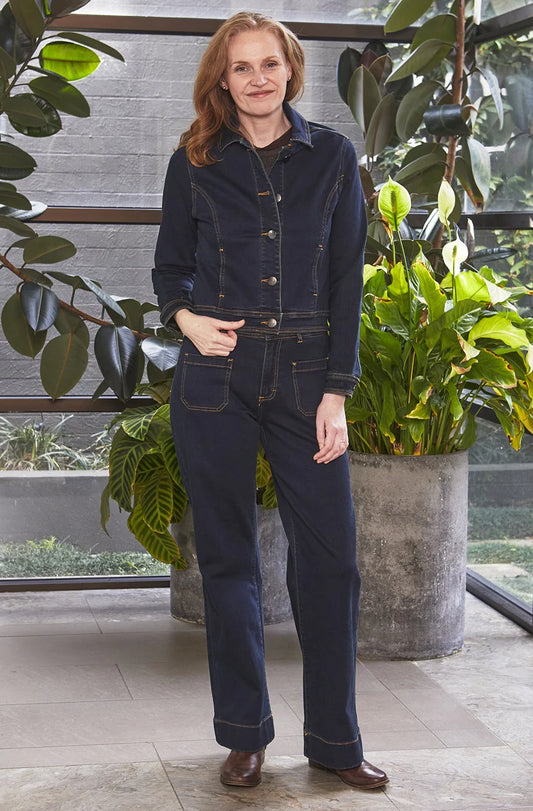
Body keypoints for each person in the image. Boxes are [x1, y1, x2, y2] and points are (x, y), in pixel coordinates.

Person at [152, 11, 388, 792]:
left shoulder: (333, 158)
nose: (257, 78)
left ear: (290, 70)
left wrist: (337, 391)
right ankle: (244, 735)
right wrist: (187, 320)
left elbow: (347, 281)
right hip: (215, 379)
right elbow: (170, 268)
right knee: (228, 558)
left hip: (305, 374)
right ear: (222, 81)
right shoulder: (194, 161)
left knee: (331, 561)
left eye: (269, 63)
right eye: (241, 67)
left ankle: (335, 740)